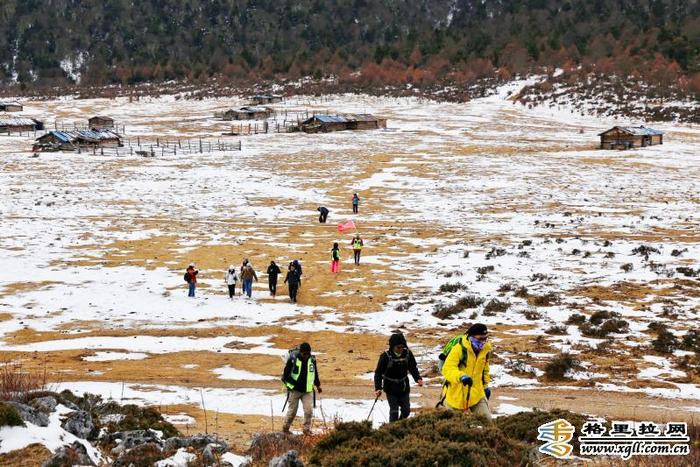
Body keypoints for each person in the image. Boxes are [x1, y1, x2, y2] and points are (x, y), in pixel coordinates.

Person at [440, 323, 493, 422]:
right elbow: (447, 369)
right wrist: (461, 376)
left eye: (485, 338)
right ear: (471, 337)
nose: (483, 342)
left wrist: (485, 387)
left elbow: (484, 370)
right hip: (455, 396)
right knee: (453, 427)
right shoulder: (459, 349)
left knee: (487, 422)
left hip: (477, 394)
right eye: (480, 339)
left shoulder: (485, 350)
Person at [373, 332, 423, 422]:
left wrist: (418, 378)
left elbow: (412, 368)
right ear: (392, 346)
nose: (400, 349)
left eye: (402, 347)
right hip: (390, 388)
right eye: (398, 347)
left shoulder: (408, 354)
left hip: (404, 387)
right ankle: (391, 429)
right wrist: (378, 388)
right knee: (394, 412)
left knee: (406, 411)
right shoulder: (385, 356)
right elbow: (378, 373)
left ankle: (399, 425)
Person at [282, 342, 321, 434]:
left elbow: (315, 373)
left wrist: (318, 385)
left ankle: (306, 430)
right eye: (304, 354)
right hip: (294, 390)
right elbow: (285, 375)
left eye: (308, 353)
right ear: (300, 352)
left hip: (307, 390)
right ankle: (285, 428)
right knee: (292, 411)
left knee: (309, 411)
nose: (306, 356)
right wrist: (288, 385)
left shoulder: (312, 360)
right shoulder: (293, 359)